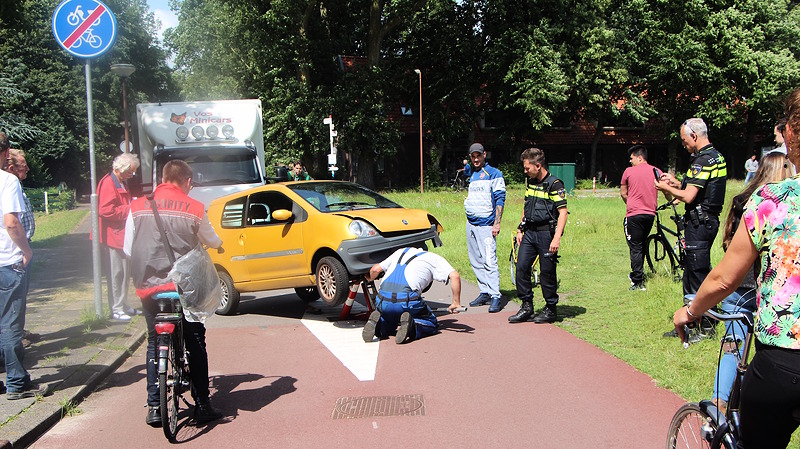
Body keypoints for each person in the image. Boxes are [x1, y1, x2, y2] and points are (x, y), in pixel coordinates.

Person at [672, 87, 800, 449]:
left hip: (785, 358)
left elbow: (726, 277)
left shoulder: (774, 200)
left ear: (788, 135)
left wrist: (690, 310)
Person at [123, 160, 223, 427]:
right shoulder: (194, 208)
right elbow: (211, 239)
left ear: (163, 179)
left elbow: (127, 249)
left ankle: (155, 407)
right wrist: (219, 246)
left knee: (155, 342)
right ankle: (202, 403)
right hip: (184, 289)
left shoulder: (137, 207)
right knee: (195, 340)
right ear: (187, 181)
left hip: (150, 288)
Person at [710, 151, 790, 413]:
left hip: (739, 284)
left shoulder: (743, 200)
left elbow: (728, 240)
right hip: (769, 290)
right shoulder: (788, 204)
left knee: (733, 343)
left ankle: (720, 400)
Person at [656, 118, 726, 339]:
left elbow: (689, 196)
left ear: (694, 136)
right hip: (707, 221)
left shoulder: (702, 161)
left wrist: (665, 187)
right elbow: (700, 188)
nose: (684, 145)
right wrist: (677, 183)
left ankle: (706, 327)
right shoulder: (716, 156)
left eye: (685, 141)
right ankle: (691, 323)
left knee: (698, 275)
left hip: (700, 223)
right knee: (694, 272)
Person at [0, 133, 46, 400]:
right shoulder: (7, 181)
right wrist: (26, 250)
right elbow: (11, 222)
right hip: (8, 261)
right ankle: (16, 382)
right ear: (6, 152)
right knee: (10, 324)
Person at [509, 147, 567, 324]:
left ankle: (551, 309)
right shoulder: (531, 182)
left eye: (527, 168)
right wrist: (520, 228)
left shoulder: (555, 184)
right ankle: (527, 306)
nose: (525, 171)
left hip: (546, 233)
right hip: (529, 232)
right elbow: (526, 207)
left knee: (547, 273)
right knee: (521, 268)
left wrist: (556, 238)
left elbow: (563, 213)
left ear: (538, 165)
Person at [362, 247, 462, 344]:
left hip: (383, 300)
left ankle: (380, 325)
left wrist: (370, 278)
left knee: (390, 317)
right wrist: (456, 303)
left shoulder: (400, 252)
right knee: (432, 323)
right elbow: (455, 276)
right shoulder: (434, 259)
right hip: (406, 301)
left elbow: (375, 269)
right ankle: (413, 326)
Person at [96, 153, 140, 321]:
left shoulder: (119, 181)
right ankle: (116, 307)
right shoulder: (108, 183)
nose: (132, 175)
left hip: (120, 234)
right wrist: (129, 208)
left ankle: (122, 304)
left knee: (124, 271)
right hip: (112, 236)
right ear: (121, 169)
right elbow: (105, 210)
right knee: (117, 273)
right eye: (131, 171)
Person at [463, 143, 506, 313]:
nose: (475, 159)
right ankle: (485, 291)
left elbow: (500, 198)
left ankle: (495, 295)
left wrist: (497, 222)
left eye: (478, 156)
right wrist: (467, 163)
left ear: (484, 155)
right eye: (473, 156)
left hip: (486, 225)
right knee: (475, 260)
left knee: (489, 260)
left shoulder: (494, 174)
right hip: (471, 223)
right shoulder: (472, 173)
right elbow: (465, 167)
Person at [619, 145, 658, 291]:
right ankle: (638, 273)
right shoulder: (656, 171)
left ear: (639, 157)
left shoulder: (628, 172)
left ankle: (637, 281)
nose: (630, 161)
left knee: (635, 247)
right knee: (641, 244)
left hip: (634, 214)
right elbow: (665, 186)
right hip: (650, 214)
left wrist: (630, 203)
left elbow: (623, 193)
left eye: (632, 158)